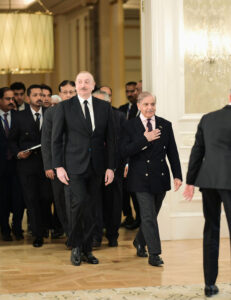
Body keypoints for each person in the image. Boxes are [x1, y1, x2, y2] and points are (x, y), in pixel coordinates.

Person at [52, 71, 115, 266]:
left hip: (97, 166)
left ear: (93, 84)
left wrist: (111, 167)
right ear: (76, 85)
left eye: (87, 81)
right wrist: (58, 166)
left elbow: (111, 140)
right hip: (73, 166)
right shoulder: (64, 107)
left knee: (92, 208)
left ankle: (87, 249)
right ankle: (76, 246)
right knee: (78, 204)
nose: (83, 84)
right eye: (80, 81)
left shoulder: (104, 107)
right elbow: (55, 139)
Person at [120, 91, 182, 266]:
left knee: (151, 215)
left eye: (152, 104)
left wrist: (177, 175)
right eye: (146, 104)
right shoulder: (129, 126)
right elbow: (124, 151)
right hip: (139, 178)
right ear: (139, 105)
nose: (150, 108)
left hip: (160, 177)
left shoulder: (165, 125)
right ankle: (154, 254)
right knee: (148, 216)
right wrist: (144, 139)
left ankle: (139, 241)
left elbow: (173, 152)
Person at [183, 99, 231, 297]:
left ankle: (209, 285)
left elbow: (197, 151)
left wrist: (190, 181)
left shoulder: (208, 118)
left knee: (211, 231)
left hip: (208, 180)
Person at [9, 84, 52, 247]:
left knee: (46, 197)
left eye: (41, 94)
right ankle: (38, 234)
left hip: (46, 164)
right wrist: (18, 153)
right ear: (28, 98)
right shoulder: (19, 116)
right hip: (26, 165)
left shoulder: (50, 114)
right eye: (35, 95)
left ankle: (46, 226)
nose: (39, 98)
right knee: (31, 199)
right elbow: (12, 140)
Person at [41, 80, 76, 240]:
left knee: (79, 200)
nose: (68, 95)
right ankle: (70, 234)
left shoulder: (84, 110)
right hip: (58, 165)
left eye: (71, 92)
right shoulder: (51, 113)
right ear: (60, 94)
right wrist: (49, 166)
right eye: (65, 92)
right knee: (61, 202)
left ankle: (80, 234)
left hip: (79, 164)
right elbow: (46, 141)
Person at [93, 89, 126, 247]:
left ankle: (112, 235)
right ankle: (96, 236)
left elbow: (125, 142)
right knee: (95, 202)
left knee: (113, 203)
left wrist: (123, 164)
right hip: (93, 167)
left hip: (114, 166)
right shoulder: (87, 118)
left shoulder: (119, 116)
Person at [0, 87, 24, 241]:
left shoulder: (19, 117)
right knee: (2, 199)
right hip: (1, 166)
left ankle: (17, 228)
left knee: (18, 199)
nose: (11, 101)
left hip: (18, 165)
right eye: (7, 99)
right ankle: (5, 229)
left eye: (12, 99)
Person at [119, 81, 141, 230]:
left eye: (133, 91)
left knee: (136, 191)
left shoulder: (142, 111)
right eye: (128, 91)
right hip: (123, 152)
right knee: (124, 191)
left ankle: (140, 219)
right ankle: (129, 216)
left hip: (136, 152)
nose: (130, 94)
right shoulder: (122, 110)